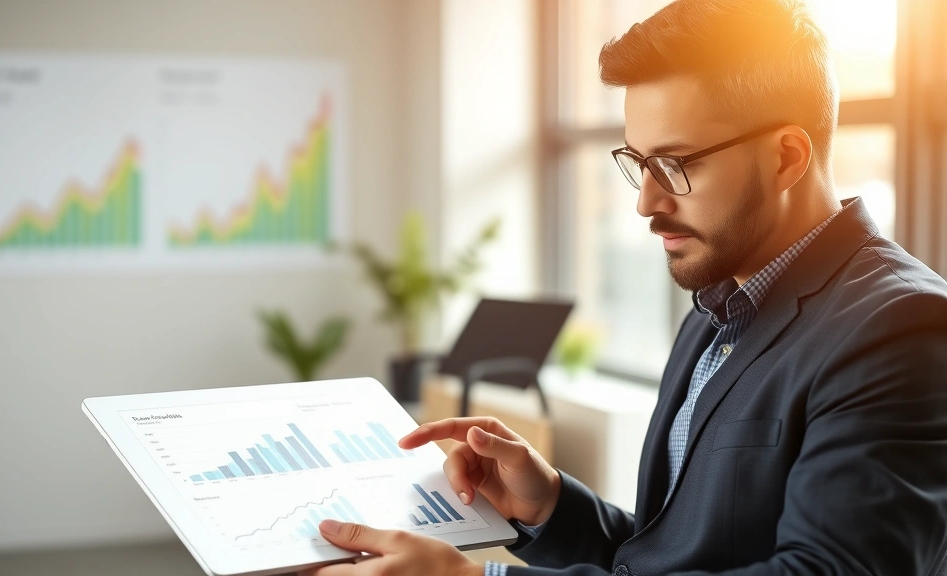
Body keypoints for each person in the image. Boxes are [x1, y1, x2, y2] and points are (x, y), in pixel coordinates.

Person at [301, 0, 947, 574]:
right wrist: (551, 505)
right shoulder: (715, 312)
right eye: (638, 162)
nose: (645, 202)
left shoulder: (900, 329)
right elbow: (664, 558)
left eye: (674, 164)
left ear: (786, 157)